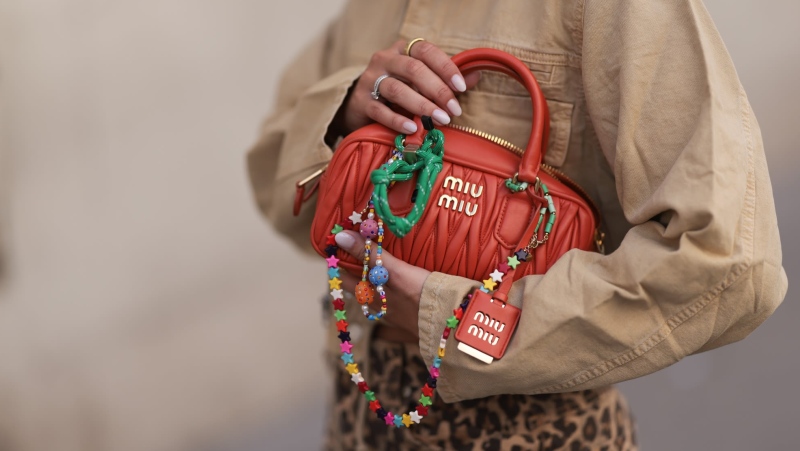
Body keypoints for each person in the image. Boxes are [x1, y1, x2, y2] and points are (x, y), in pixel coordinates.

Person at [247, 1, 787, 449]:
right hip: (360, 417)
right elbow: (273, 183)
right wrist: (345, 110)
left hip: (531, 433)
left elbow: (727, 261)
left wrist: (461, 318)